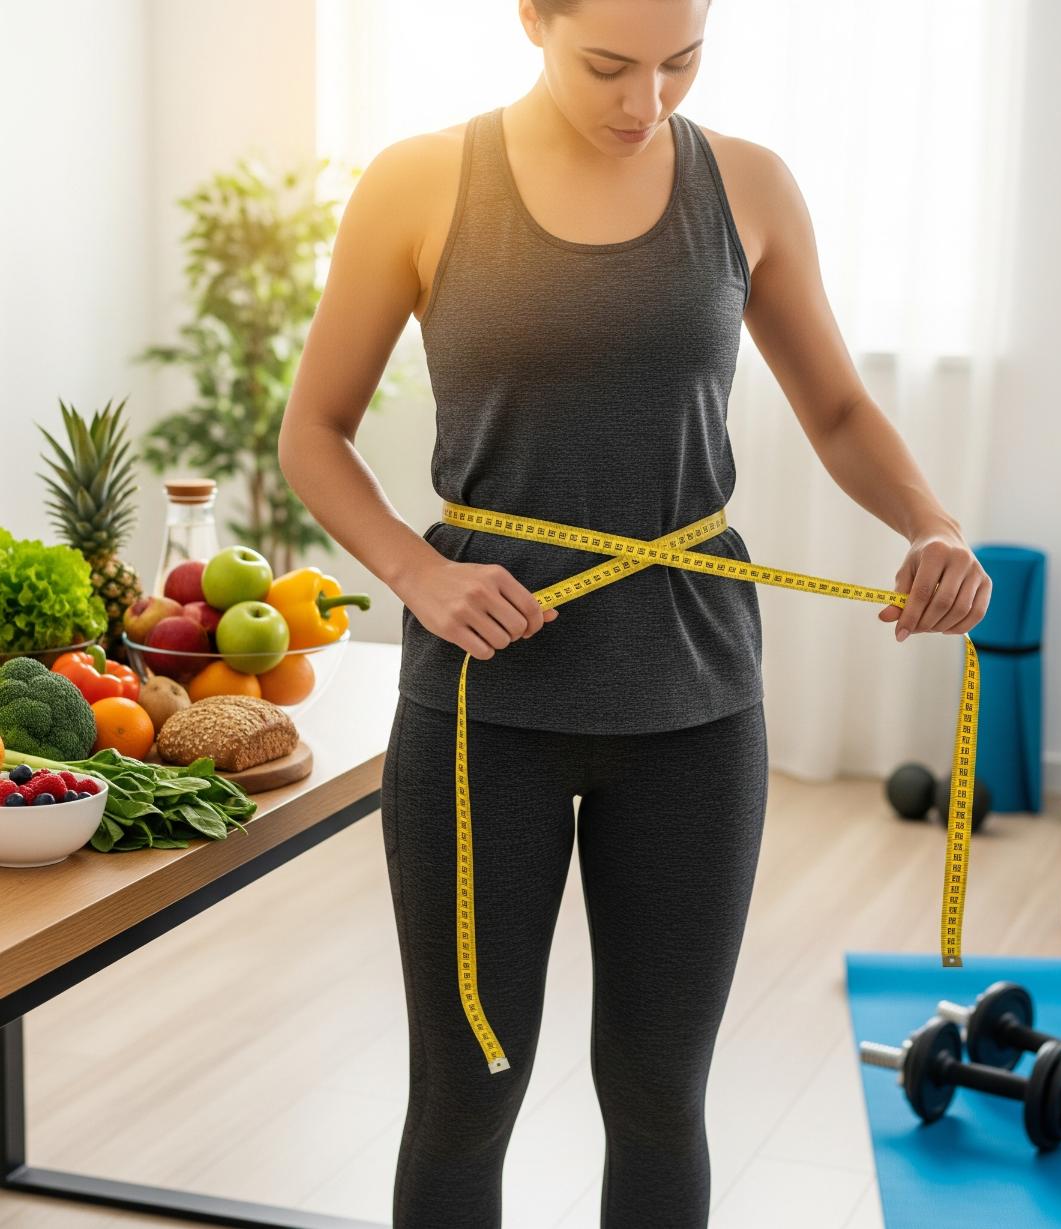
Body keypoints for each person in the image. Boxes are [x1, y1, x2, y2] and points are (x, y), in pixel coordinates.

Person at [279, 2, 991, 1224]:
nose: (642, 102)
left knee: (660, 1089)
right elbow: (315, 432)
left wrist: (930, 522)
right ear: (533, 20)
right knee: (465, 1090)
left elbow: (833, 412)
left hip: (693, 690)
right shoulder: (421, 181)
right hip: (480, 698)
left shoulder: (748, 186)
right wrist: (413, 569)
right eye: (607, 64)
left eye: (681, 63)